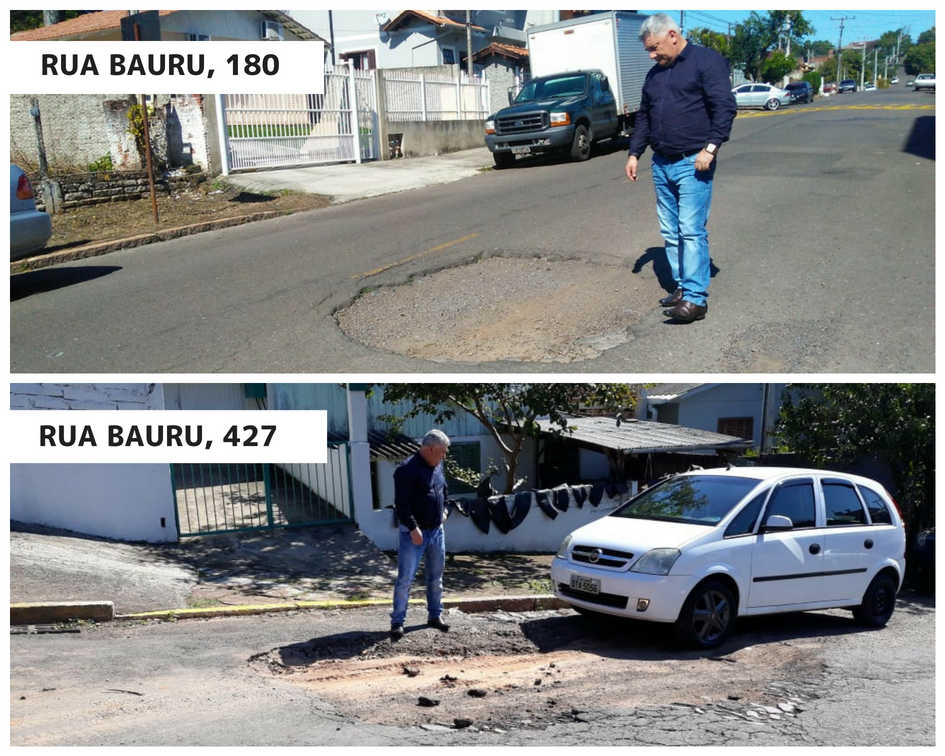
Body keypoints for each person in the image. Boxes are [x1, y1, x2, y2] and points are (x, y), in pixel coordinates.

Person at [625, 13, 737, 323]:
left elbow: (724, 107)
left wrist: (710, 148)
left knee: (690, 230)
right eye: (649, 50)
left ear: (672, 35)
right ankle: (681, 286)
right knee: (670, 232)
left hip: (693, 162)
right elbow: (644, 117)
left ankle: (696, 299)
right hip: (661, 163)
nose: (652, 55)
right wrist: (635, 153)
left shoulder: (706, 62)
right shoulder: (654, 75)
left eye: (655, 47)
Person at [390, 429, 451, 640]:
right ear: (431, 448)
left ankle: (435, 616)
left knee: (436, 578)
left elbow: (445, 492)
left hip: (436, 531)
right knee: (406, 579)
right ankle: (397, 622)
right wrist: (414, 528)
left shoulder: (437, 466)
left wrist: (445, 511)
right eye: (442, 452)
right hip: (413, 534)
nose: (444, 456)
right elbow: (402, 505)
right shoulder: (406, 470)